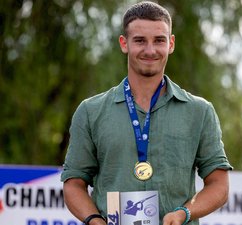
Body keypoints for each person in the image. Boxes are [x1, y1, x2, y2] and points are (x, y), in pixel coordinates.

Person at [61, 1, 232, 225]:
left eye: (159, 40)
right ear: (124, 44)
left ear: (171, 44)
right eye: (140, 40)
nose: (150, 50)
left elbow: (219, 184)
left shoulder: (200, 112)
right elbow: (73, 184)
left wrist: (183, 213)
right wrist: (95, 220)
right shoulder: (90, 111)